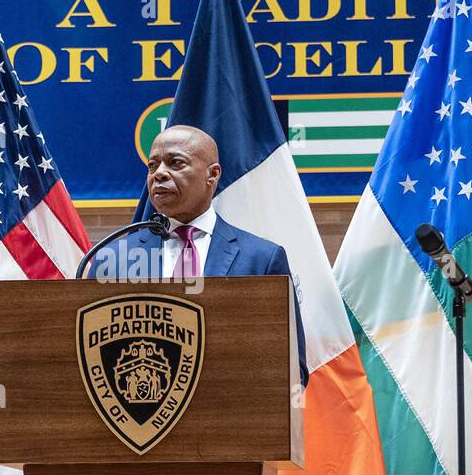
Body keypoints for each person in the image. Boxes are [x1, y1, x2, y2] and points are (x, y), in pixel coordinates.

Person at [87, 124, 307, 384]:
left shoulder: (262, 259)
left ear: (212, 175)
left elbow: (291, 366)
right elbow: (89, 354)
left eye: (175, 163)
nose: (159, 174)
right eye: (152, 166)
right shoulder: (114, 260)